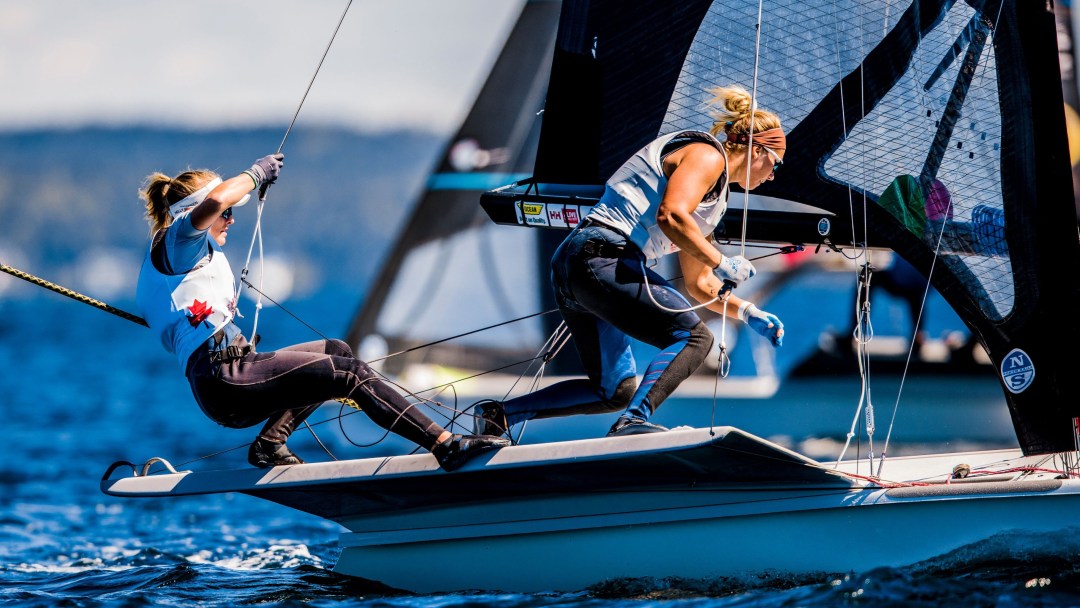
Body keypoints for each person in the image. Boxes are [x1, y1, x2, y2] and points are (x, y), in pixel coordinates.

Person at [135, 153, 509, 470]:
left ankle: (270, 444)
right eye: (227, 213)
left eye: (232, 213)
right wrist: (256, 173)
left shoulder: (184, 251)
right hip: (225, 379)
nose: (230, 219)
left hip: (231, 373)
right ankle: (445, 445)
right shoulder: (179, 240)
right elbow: (215, 201)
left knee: (337, 351)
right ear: (191, 211)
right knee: (349, 375)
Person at [477, 85, 786, 438]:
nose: (773, 175)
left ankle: (498, 416)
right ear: (758, 149)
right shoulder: (707, 156)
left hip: (580, 264)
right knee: (695, 340)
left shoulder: (713, 201)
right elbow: (671, 216)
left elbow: (700, 283)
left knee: (613, 391)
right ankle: (633, 422)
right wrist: (721, 259)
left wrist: (748, 312)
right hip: (603, 254)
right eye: (775, 164)